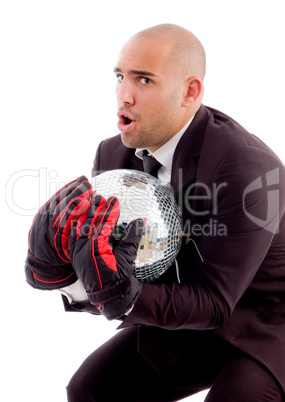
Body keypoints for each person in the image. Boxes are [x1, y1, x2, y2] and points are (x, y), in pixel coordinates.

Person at [25, 24, 285, 401]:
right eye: (120, 77)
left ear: (190, 92)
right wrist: (69, 278)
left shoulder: (245, 168)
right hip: (191, 314)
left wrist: (125, 296)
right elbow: (124, 271)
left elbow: (213, 303)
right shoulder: (113, 158)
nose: (123, 96)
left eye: (144, 80)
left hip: (270, 319)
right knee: (91, 390)